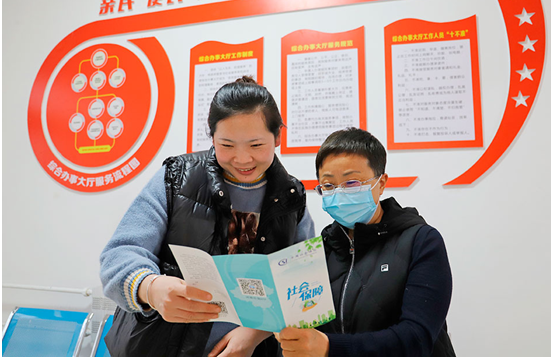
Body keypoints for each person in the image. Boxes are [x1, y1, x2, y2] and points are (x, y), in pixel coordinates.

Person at [100, 76, 315, 356]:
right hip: (160, 345)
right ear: (212, 138)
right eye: (227, 145)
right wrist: (150, 288)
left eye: (256, 145)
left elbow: (304, 286)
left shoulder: (291, 196)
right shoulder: (177, 177)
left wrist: (256, 332)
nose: (242, 159)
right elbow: (119, 254)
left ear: (277, 138)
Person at [276, 127, 455, 357]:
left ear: (381, 183)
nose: (339, 193)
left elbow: (416, 338)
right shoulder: (317, 252)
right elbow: (307, 328)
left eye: (352, 183)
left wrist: (330, 347)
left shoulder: (421, 241)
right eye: (328, 186)